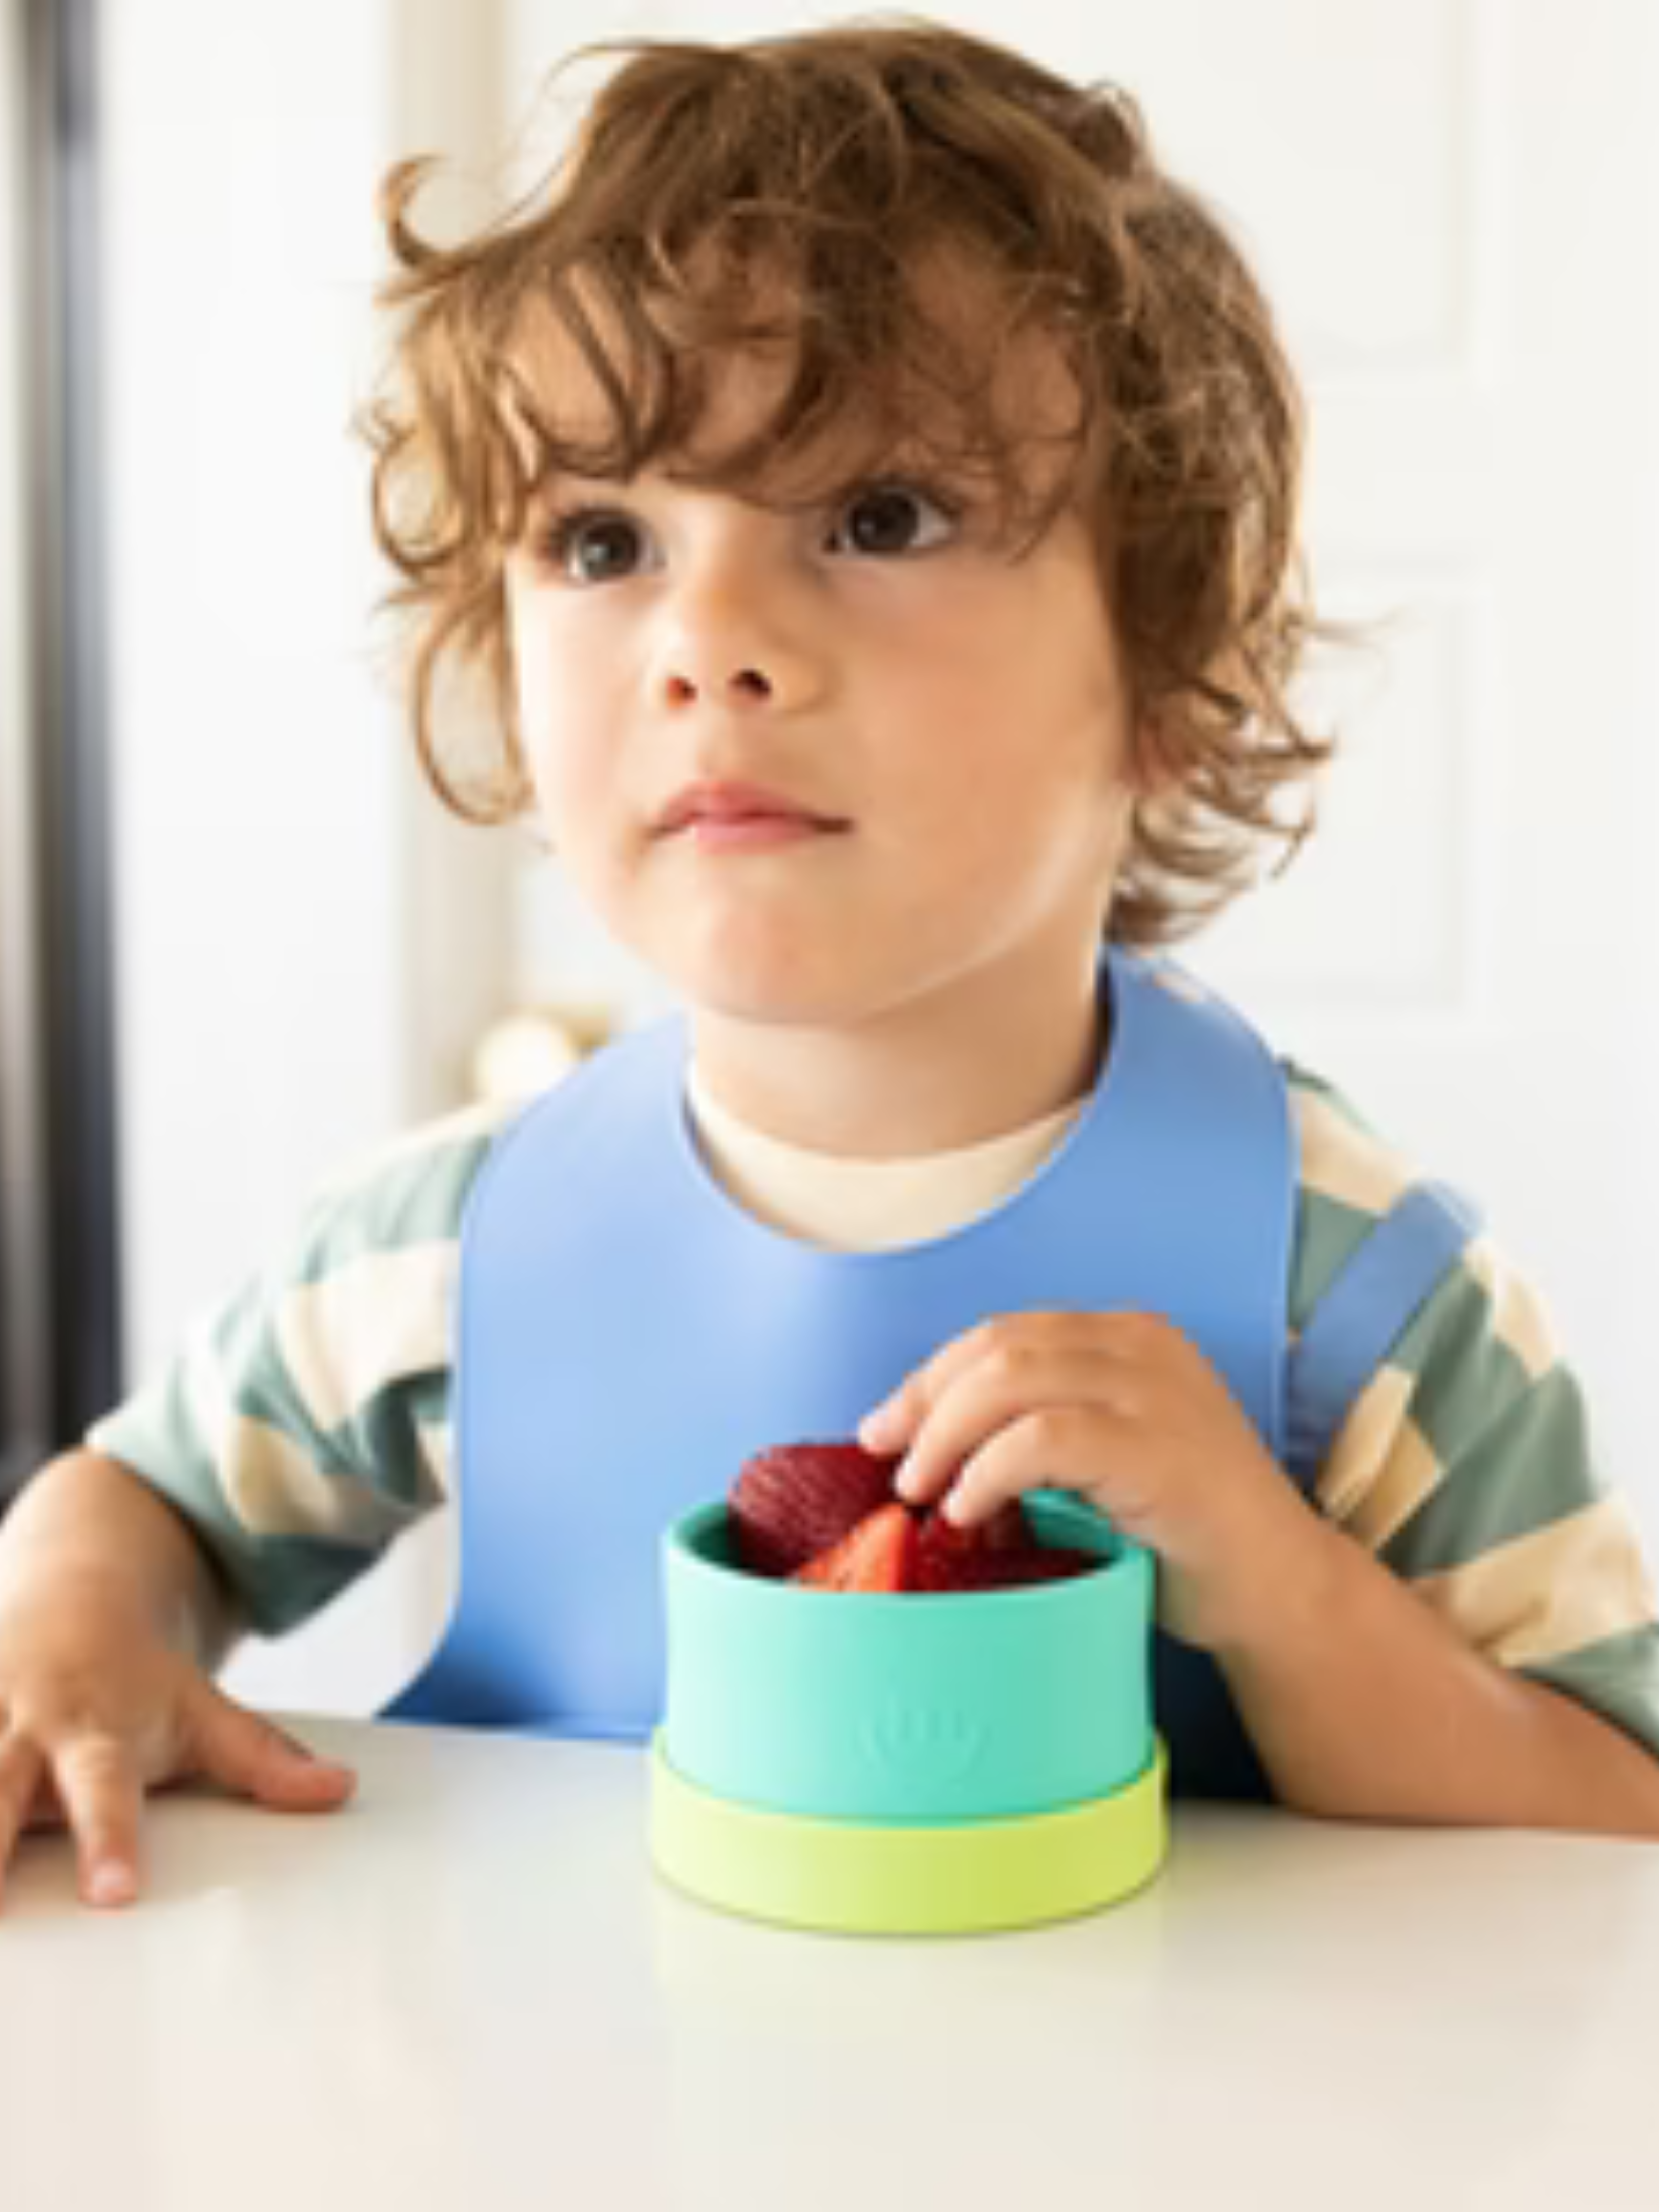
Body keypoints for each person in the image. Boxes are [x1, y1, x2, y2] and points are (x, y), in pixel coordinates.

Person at [3, 20, 1657, 1913]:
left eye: (880, 518)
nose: (705, 641)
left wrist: (1278, 1585)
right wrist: (65, 1636)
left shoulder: (1359, 1295)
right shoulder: (436, 1250)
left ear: (1170, 676)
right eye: (605, 538)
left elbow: (1613, 1820)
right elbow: (136, 1508)